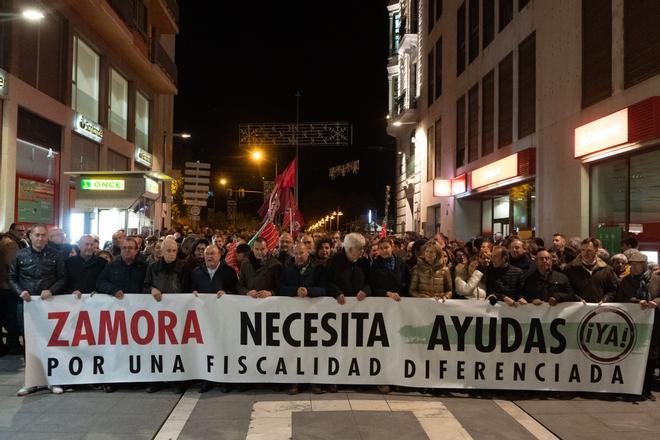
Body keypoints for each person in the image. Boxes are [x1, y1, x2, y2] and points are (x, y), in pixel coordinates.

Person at [9, 225, 66, 396]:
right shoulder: (20, 255)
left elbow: (63, 278)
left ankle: (53, 380)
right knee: (29, 342)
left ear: (47, 238)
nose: (40, 238)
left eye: (43, 235)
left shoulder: (56, 255)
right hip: (26, 305)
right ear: (30, 236)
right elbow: (12, 277)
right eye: (37, 235)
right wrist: (20, 292)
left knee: (51, 341)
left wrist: (53, 290)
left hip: (49, 305)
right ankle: (31, 381)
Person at [277, 242, 327, 395]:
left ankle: (315, 382)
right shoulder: (287, 269)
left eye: (302, 253)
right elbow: (281, 288)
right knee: (294, 350)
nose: (299, 256)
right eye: (296, 253)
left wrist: (309, 291)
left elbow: (324, 288)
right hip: (293, 317)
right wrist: (295, 290)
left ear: (308, 252)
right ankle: (295, 382)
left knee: (313, 350)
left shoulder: (319, 268)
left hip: (314, 315)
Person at [143, 238, 185, 394]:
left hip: (177, 314)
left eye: (174, 251)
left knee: (175, 348)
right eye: (168, 250)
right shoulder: (153, 268)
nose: (171, 254)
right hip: (157, 314)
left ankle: (175, 380)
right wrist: (151, 289)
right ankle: (157, 380)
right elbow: (145, 286)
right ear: (161, 251)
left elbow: (187, 288)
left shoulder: (182, 268)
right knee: (157, 348)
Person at [0, 223, 27, 355]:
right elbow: (12, 266)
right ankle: (14, 345)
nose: (22, 232)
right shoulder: (11, 244)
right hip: (8, 287)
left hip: (4, 285)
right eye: (19, 230)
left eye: (23, 230)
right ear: (11, 230)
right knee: (12, 317)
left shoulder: (6, 240)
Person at [564, 237, 618, 303]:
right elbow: (566, 288)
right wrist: (577, 299)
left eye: (589, 251)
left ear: (596, 250)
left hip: (599, 309)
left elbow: (612, 290)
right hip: (577, 309)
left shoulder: (606, 269)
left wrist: (605, 300)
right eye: (583, 250)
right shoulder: (570, 268)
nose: (585, 254)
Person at [326, 233, 371, 305]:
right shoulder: (333, 262)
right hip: (339, 307)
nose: (363, 251)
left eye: (363, 248)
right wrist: (337, 293)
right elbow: (327, 282)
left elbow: (370, 282)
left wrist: (365, 291)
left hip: (360, 307)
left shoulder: (364, 262)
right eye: (360, 248)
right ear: (350, 249)